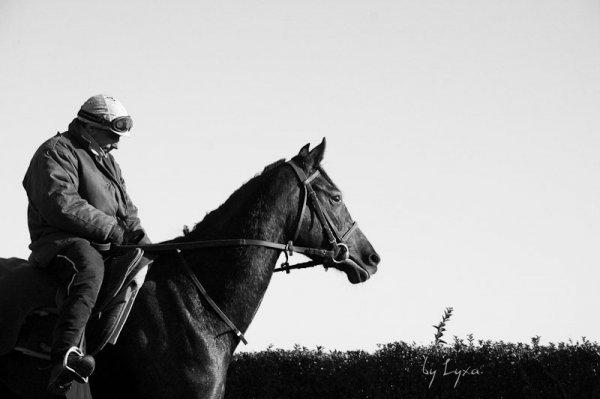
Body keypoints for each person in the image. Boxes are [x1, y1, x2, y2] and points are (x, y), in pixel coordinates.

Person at [22, 94, 150, 394]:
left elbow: (127, 213)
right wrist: (112, 230)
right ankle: (64, 357)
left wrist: (145, 242)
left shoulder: (109, 163)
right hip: (60, 243)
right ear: (89, 126)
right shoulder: (54, 152)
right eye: (112, 135)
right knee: (89, 267)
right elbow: (62, 204)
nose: (116, 143)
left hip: (104, 242)